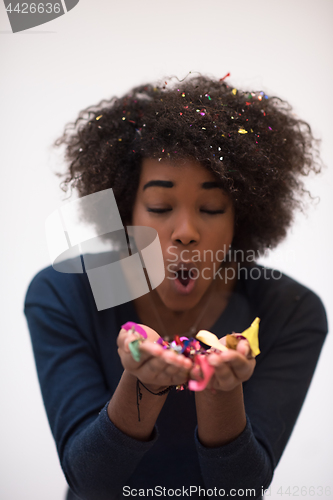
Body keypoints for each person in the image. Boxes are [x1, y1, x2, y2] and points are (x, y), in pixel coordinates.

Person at [24, 75, 328, 500]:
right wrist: (142, 384)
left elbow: (241, 487)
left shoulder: (289, 310)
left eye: (211, 207)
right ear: (125, 209)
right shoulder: (67, 293)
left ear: (240, 218)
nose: (185, 231)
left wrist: (221, 390)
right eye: (160, 207)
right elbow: (90, 480)